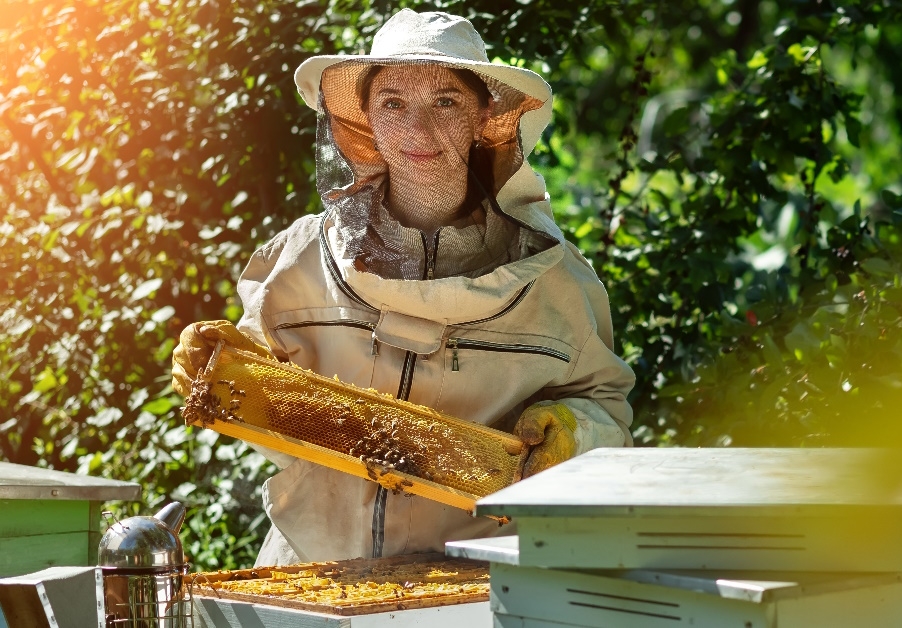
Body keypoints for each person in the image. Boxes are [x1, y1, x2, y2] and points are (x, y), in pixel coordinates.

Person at [170, 9, 635, 566]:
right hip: (317, 571)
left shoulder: (557, 280)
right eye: (392, 103)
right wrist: (228, 376)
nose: (417, 130)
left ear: (483, 116)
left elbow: (610, 414)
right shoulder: (296, 261)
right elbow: (264, 421)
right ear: (365, 117)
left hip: (479, 585)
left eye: (445, 101)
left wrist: (574, 433)